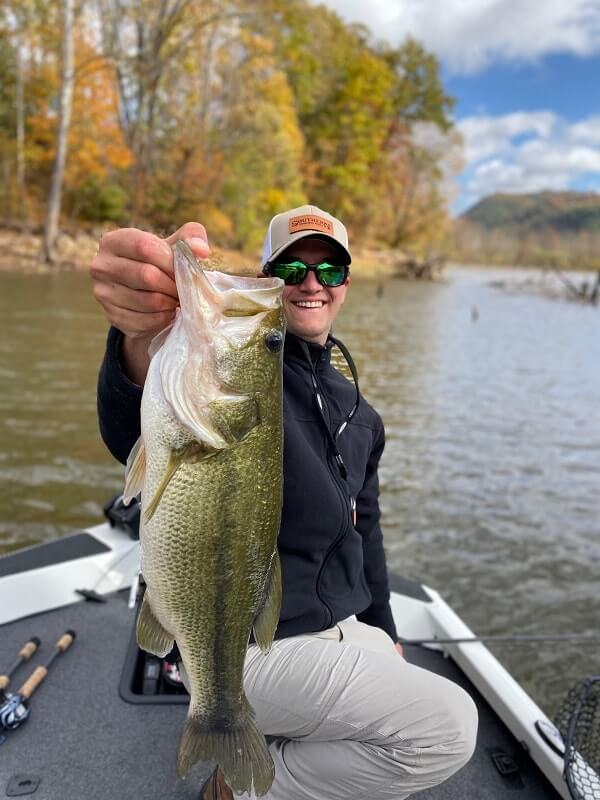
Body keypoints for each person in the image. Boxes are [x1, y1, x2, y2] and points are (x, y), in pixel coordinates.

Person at [91, 204, 478, 800]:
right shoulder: (226, 369)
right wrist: (138, 335)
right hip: (244, 644)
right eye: (291, 266)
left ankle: (269, 749)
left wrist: (385, 627)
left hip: (342, 626)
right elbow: (131, 423)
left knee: (396, 693)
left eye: (330, 270)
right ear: (269, 275)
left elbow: (365, 531)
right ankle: (244, 790)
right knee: (448, 728)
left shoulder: (358, 411)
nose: (309, 282)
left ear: (346, 283)